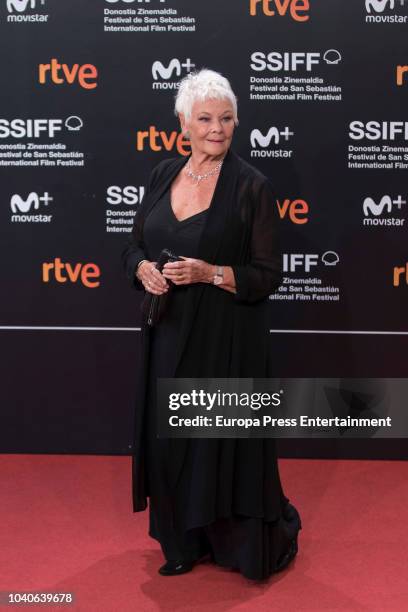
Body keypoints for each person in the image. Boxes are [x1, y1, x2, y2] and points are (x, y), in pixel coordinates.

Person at [122, 69, 301, 580]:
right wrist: (141, 269)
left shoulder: (252, 187)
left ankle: (232, 542)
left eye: (226, 118)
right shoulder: (162, 175)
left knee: (217, 445)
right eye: (205, 118)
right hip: (168, 332)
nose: (217, 128)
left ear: (237, 121)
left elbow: (267, 276)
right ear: (183, 122)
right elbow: (132, 244)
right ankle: (181, 541)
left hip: (227, 339)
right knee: (171, 441)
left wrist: (209, 273)